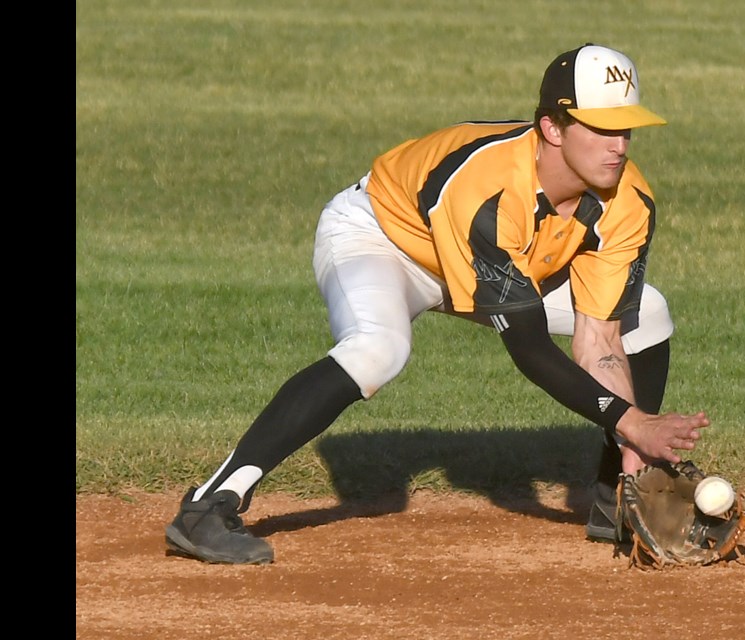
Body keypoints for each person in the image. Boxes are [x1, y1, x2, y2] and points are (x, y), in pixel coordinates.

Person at [164, 43, 711, 565]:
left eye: (627, 128)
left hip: (503, 262)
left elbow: (601, 339)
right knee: (379, 349)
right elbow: (527, 347)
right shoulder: (490, 191)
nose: (619, 145)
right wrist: (631, 419)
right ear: (552, 127)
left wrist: (633, 447)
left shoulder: (627, 201)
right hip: (385, 242)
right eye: (602, 127)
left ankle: (615, 496)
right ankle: (210, 506)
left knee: (649, 314)